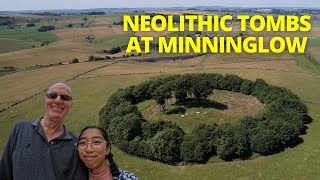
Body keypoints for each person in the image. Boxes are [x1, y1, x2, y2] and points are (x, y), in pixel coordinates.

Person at [0, 82, 88, 180]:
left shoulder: (75, 146)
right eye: (52, 96)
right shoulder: (19, 129)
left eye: (65, 97)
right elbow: (4, 171)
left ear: (71, 104)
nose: (58, 100)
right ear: (45, 100)